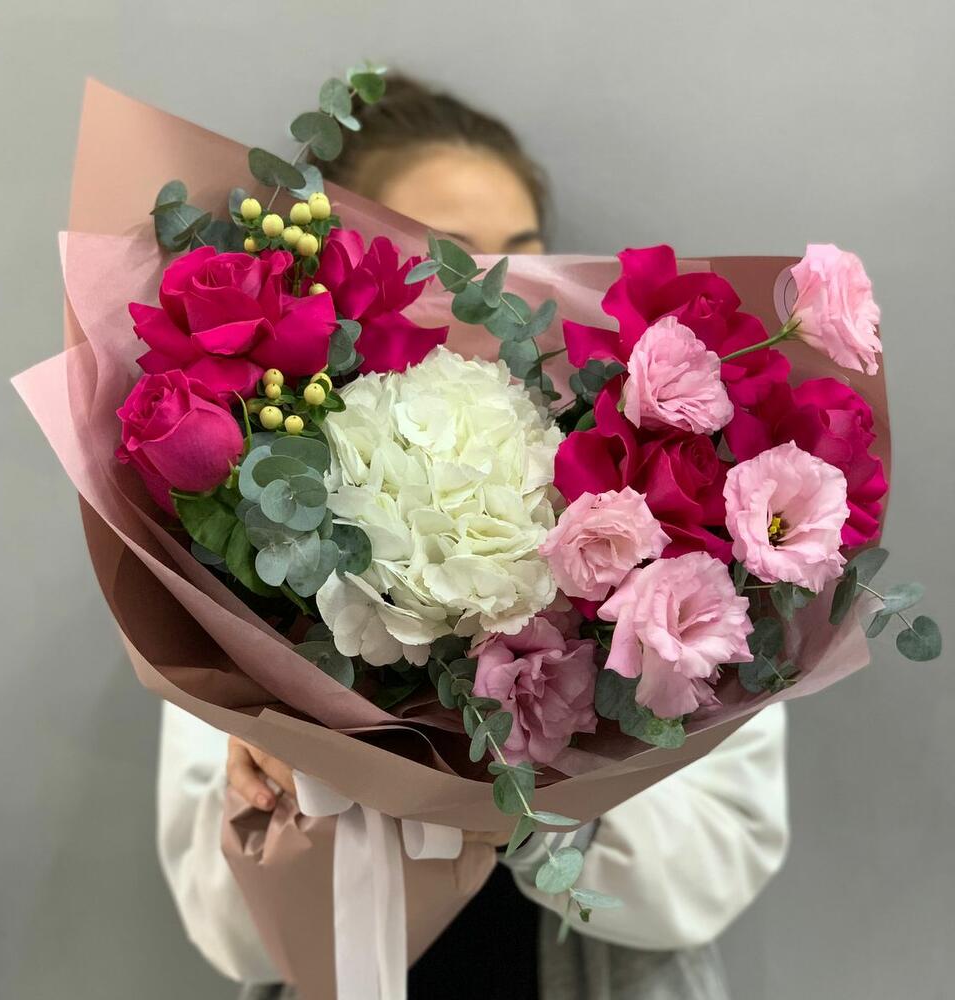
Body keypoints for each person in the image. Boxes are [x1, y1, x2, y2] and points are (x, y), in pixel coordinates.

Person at [157, 75, 789, 1000]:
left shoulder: (658, 516)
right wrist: (298, 780)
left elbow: (717, 864)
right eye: (445, 257)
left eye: (526, 260)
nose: (495, 295)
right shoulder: (258, 547)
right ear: (350, 277)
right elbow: (235, 936)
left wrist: (530, 797)